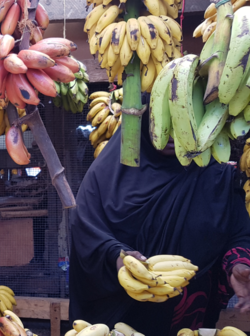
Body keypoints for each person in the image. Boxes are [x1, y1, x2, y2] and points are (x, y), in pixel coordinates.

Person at [69, 95, 250, 335]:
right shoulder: (107, 174)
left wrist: (238, 265)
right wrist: (117, 255)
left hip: (187, 321)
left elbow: (239, 234)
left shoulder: (216, 178)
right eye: (161, 122)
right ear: (142, 123)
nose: (171, 134)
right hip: (116, 321)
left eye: (181, 123)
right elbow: (85, 230)